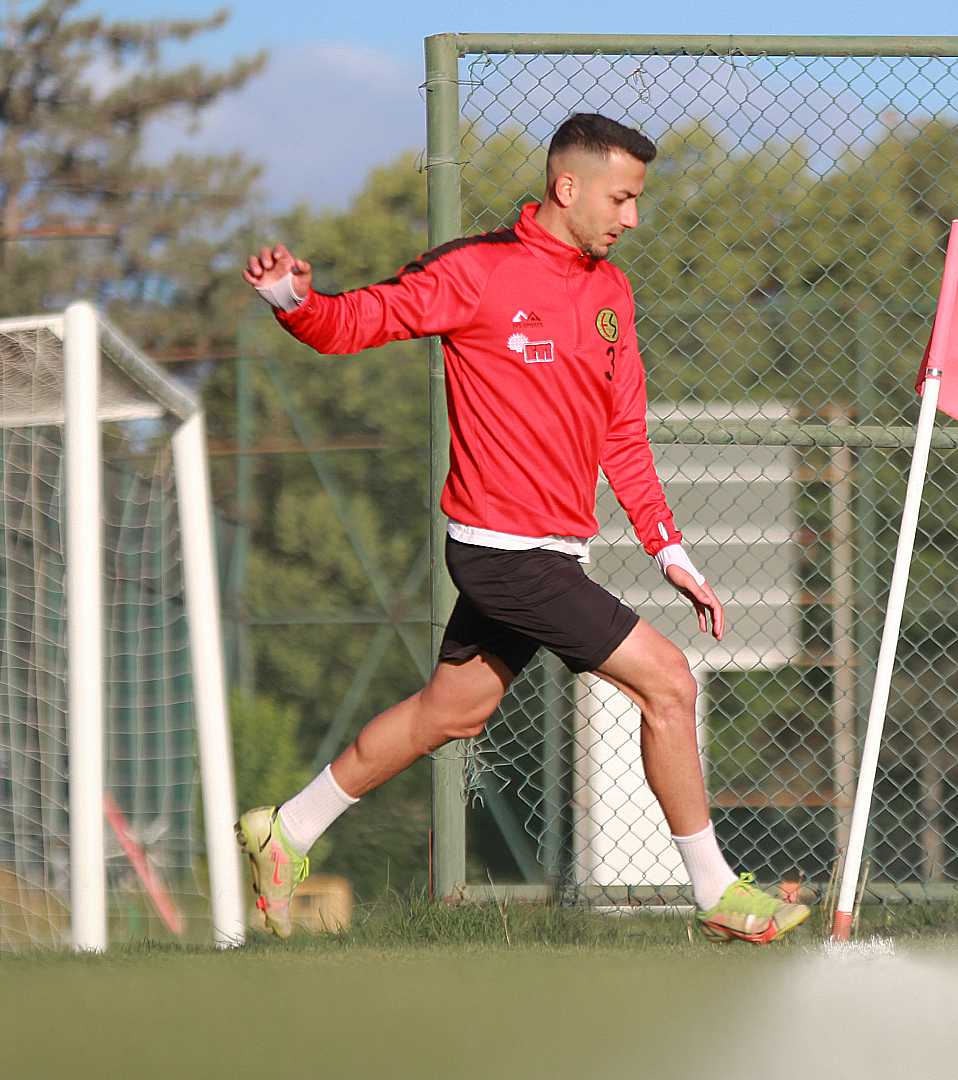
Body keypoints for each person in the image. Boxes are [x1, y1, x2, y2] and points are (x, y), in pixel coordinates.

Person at [235, 112, 808, 945]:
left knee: (452, 712)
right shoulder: (476, 271)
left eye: (638, 199)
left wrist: (669, 547)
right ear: (566, 186)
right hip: (502, 555)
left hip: (552, 552)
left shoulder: (612, 294)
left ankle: (286, 830)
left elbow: (623, 433)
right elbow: (359, 321)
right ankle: (717, 892)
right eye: (622, 197)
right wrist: (294, 300)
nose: (632, 217)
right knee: (670, 682)